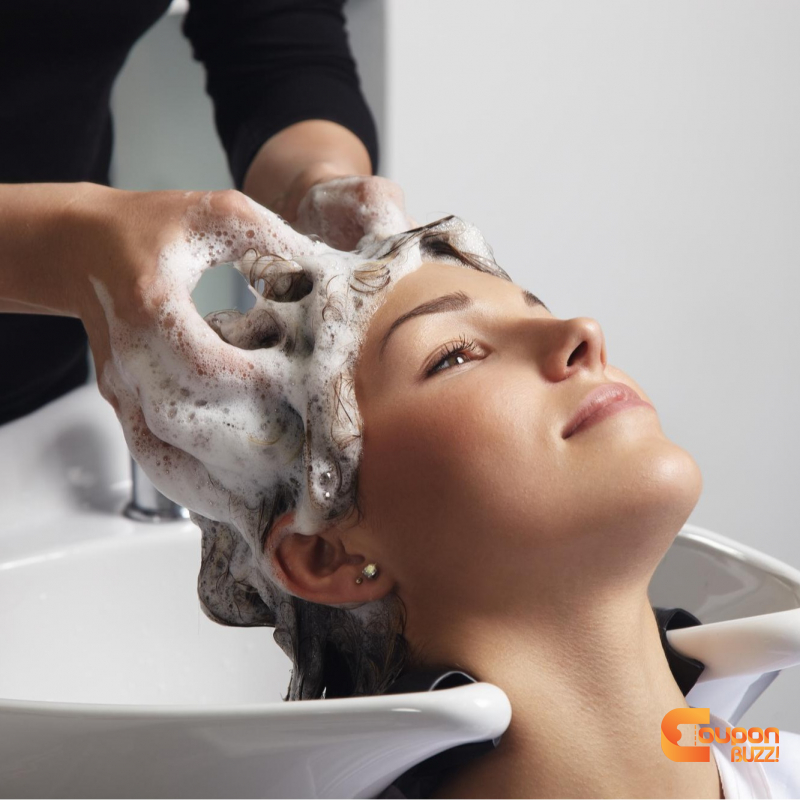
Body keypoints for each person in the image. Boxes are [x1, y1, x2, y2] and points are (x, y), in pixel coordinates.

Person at [0, 0, 389, 425]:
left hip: (40, 403)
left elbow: (274, 28)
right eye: (441, 360)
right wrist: (66, 247)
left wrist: (310, 182)